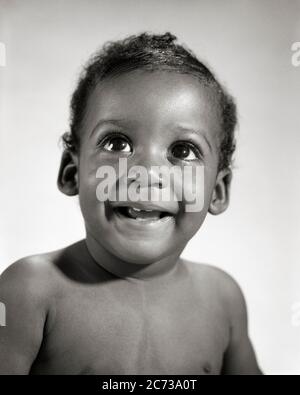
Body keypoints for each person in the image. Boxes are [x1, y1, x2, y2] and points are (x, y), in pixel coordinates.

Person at [0, 32, 262, 375]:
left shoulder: (223, 299)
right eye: (117, 143)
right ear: (71, 172)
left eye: (182, 151)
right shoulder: (29, 291)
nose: (147, 172)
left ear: (217, 191)